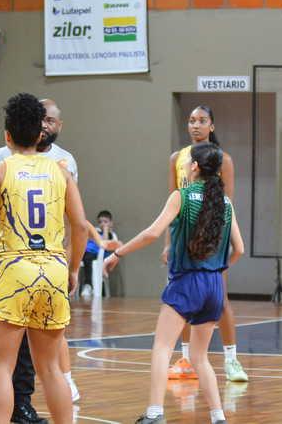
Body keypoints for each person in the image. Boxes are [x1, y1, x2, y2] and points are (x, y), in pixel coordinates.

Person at [0, 93, 87, 424]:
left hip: (14, 269)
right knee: (52, 369)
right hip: (53, 268)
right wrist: (73, 268)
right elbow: (81, 227)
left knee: (2, 368)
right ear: (40, 133)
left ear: (7, 135)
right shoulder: (62, 171)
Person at [105, 142, 244, 424]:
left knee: (162, 348)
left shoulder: (182, 196)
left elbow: (152, 233)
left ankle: (155, 413)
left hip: (186, 281)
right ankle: (218, 417)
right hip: (214, 286)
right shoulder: (225, 203)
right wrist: (216, 270)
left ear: (194, 167)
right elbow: (239, 249)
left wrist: (118, 253)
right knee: (200, 357)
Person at [164, 106, 246, 383]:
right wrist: (168, 244)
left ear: (212, 126)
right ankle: (186, 359)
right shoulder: (177, 158)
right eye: (191, 121)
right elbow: (172, 204)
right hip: (183, 240)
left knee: (221, 300)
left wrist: (224, 245)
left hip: (212, 240)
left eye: (201, 120)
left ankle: (231, 360)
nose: (195, 125)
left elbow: (227, 204)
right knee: (183, 302)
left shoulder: (223, 159)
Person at [80, 210, 119, 299]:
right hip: (88, 253)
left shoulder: (111, 235)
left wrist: (105, 230)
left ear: (111, 223)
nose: (102, 224)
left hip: (100, 256)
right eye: (100, 222)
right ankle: (85, 285)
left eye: (105, 222)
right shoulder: (95, 231)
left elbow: (105, 243)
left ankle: (89, 285)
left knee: (89, 258)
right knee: (85, 257)